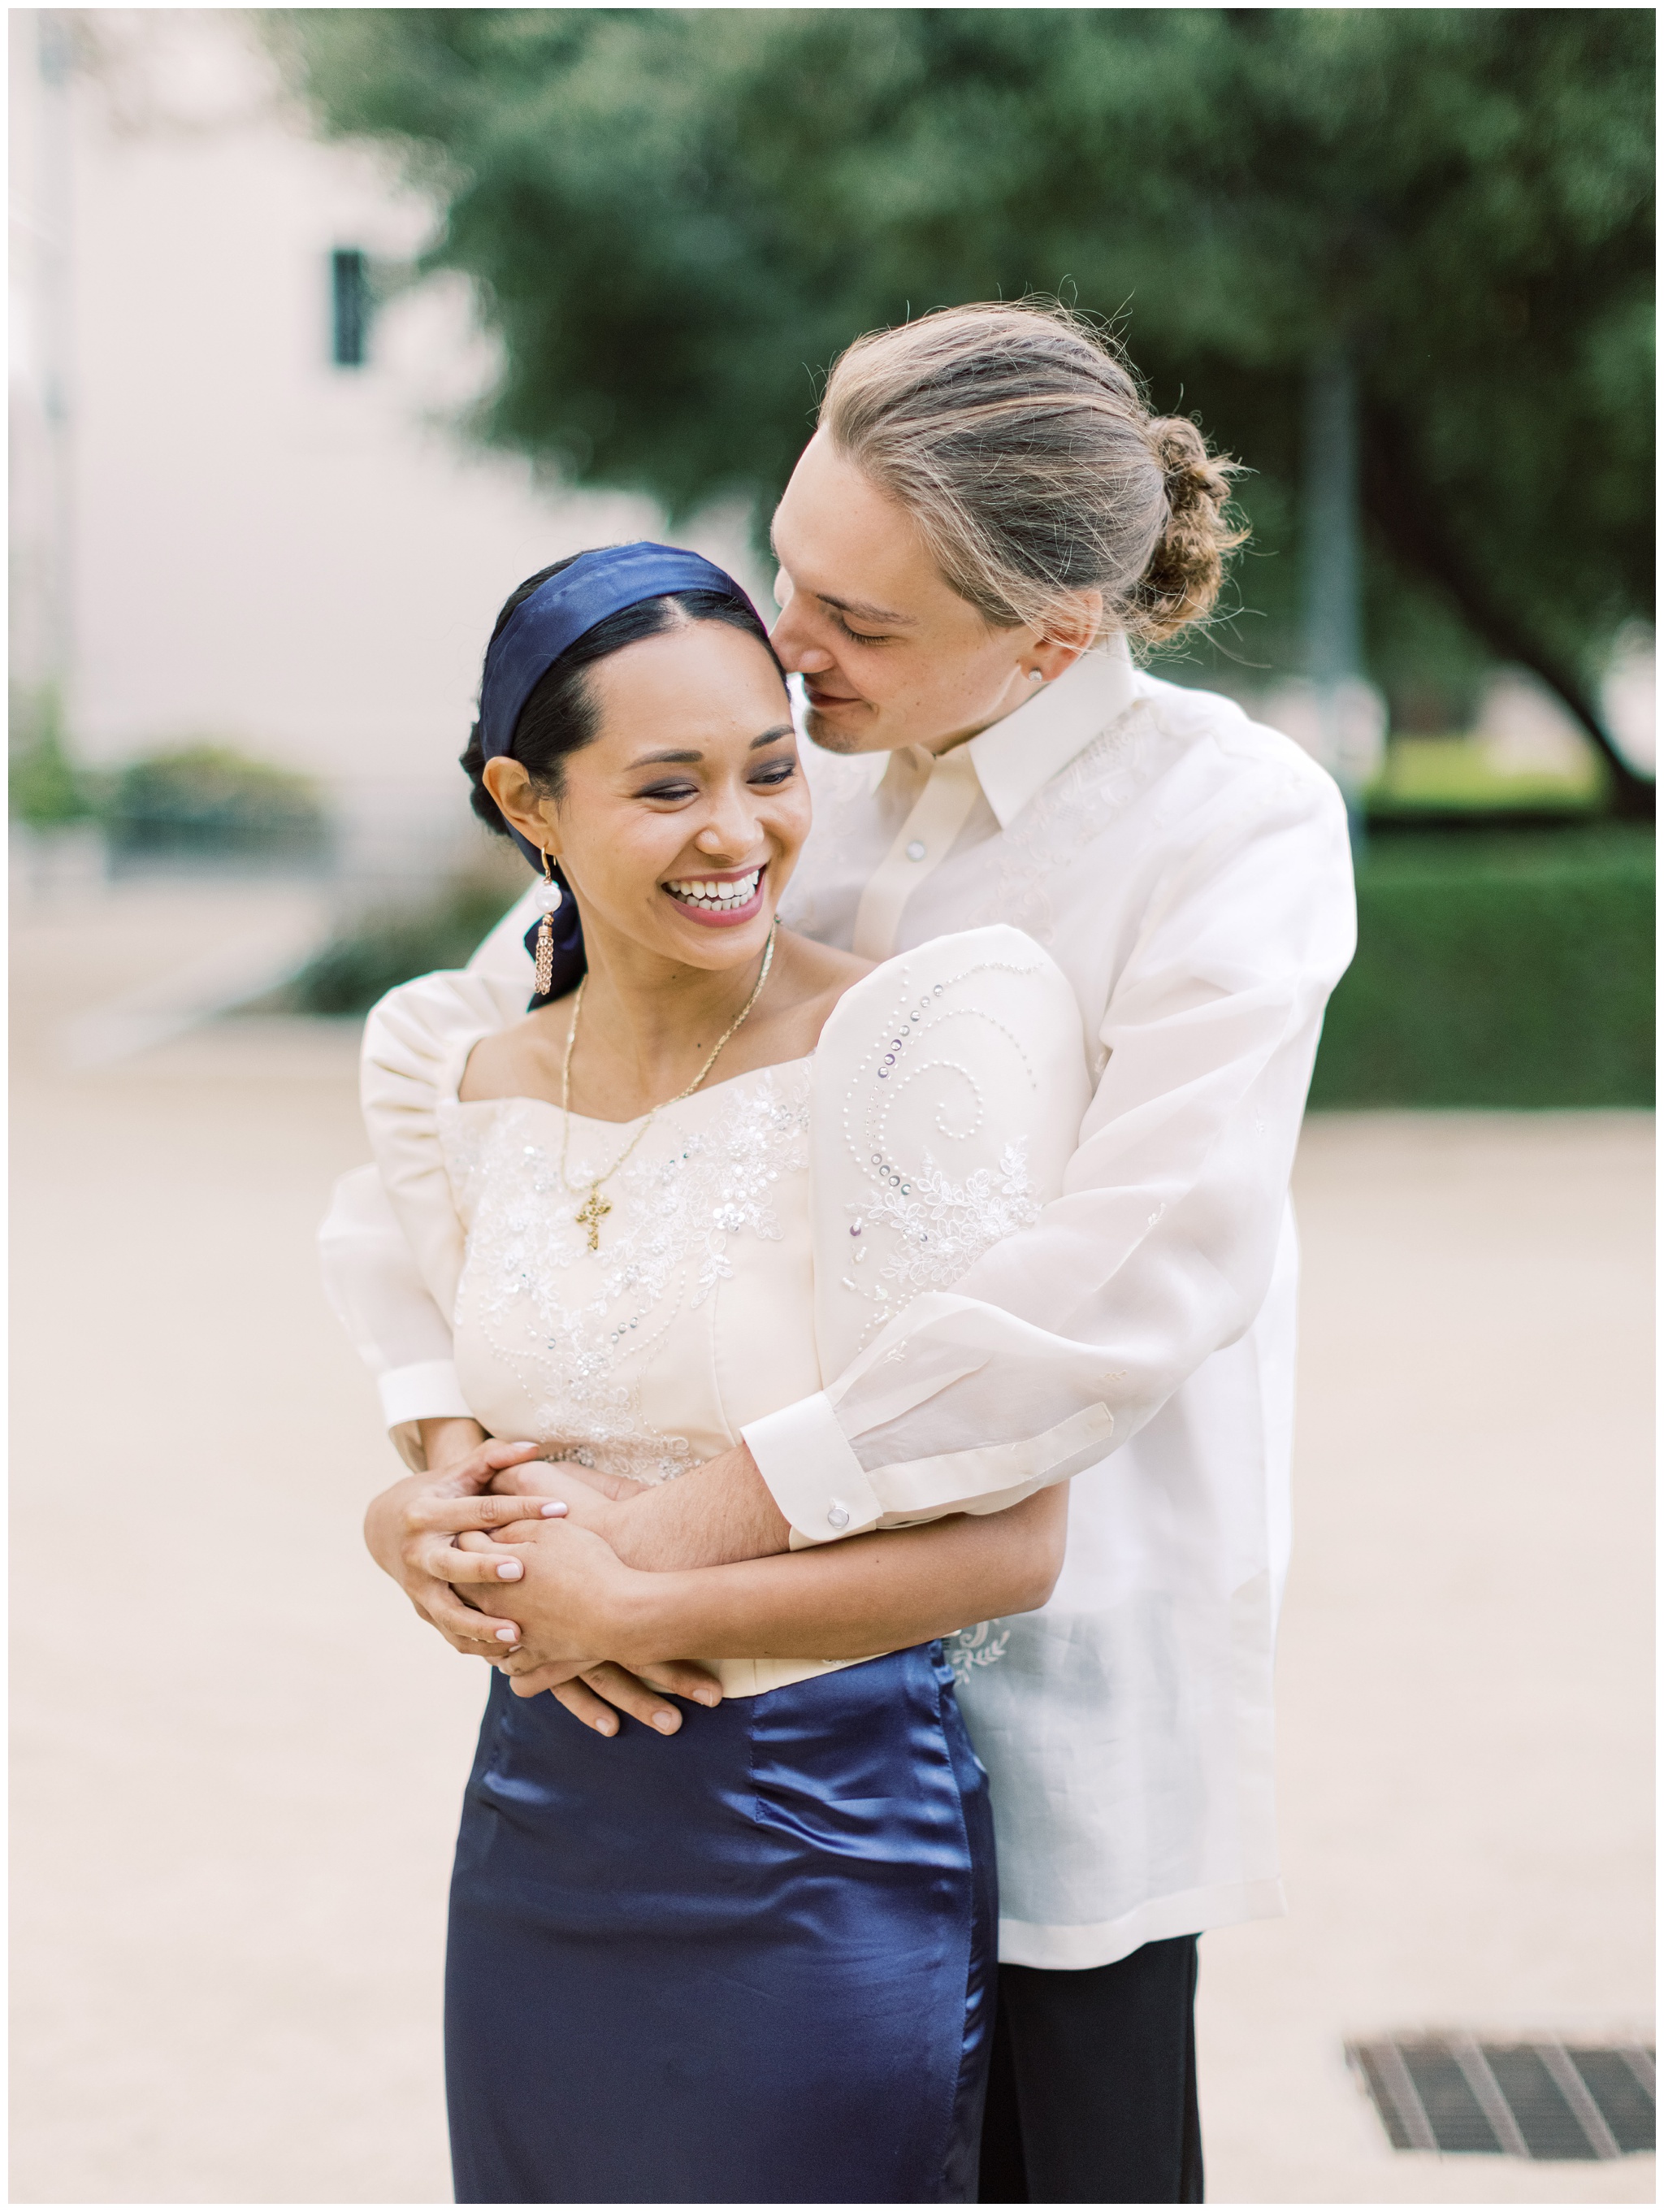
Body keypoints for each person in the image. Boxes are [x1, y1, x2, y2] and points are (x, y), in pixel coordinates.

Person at [322, 299, 1357, 2204]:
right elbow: (475, 1069)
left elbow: (1128, 1285)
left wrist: (662, 1550)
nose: (793, 646)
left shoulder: (1229, 826)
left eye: (859, 622)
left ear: (1053, 635)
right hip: (726, 1735)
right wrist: (434, 1464)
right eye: (795, 564)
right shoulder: (784, 770)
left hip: (1050, 1673)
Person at [353, 540, 1099, 2204]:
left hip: (816, 1838)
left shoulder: (899, 1051)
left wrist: (632, 1608)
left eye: (772, 768)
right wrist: (411, 1527)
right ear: (525, 799)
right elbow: (464, 1453)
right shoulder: (454, 1075)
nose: (741, 831)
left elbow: (1014, 1542)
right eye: (666, 785)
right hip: (540, 1828)